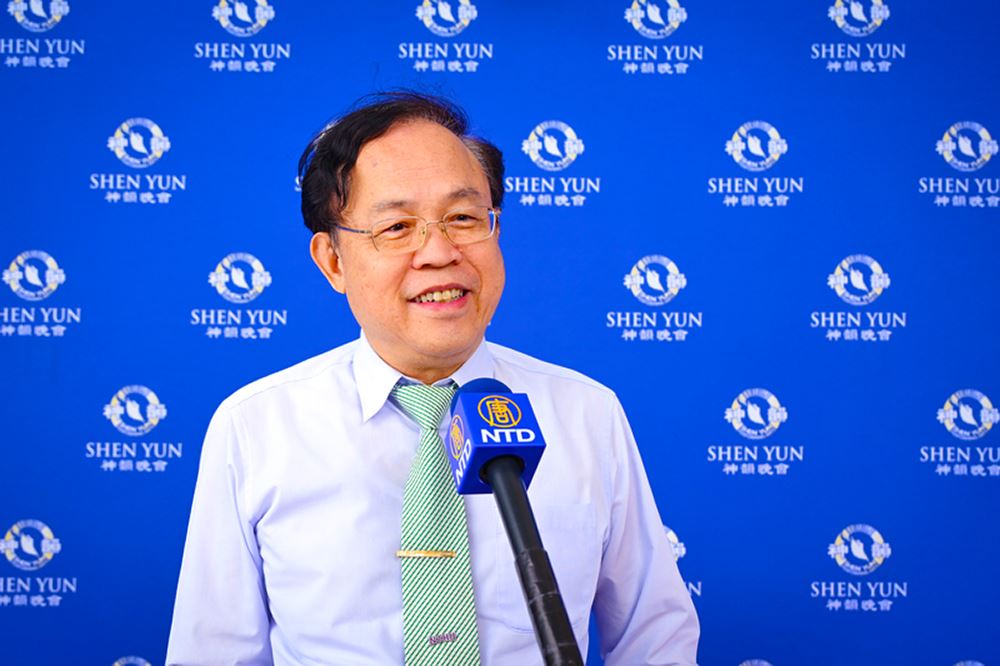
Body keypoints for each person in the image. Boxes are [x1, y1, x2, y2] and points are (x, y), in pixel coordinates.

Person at [166, 92, 699, 665]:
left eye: (464, 218)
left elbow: (655, 639)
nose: (440, 252)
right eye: (397, 227)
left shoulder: (585, 412)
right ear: (333, 261)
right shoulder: (255, 427)